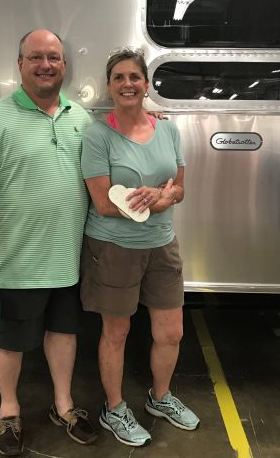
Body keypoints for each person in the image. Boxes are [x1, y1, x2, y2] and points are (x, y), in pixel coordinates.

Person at [0, 29, 98, 456]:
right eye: (36, 57)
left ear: (64, 65)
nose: (45, 65)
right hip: (16, 261)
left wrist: (151, 117)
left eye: (53, 57)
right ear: (20, 64)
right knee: (8, 340)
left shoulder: (80, 118)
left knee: (63, 334)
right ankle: (9, 411)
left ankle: (63, 405)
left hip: (67, 260)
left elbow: (112, 155)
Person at [80, 47, 199, 447]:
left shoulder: (168, 130)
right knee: (117, 332)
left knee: (172, 332)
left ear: (146, 84)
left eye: (134, 77)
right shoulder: (98, 136)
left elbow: (179, 187)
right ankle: (114, 409)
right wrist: (153, 202)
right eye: (119, 77)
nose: (127, 84)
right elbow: (102, 203)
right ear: (109, 87)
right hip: (114, 247)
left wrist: (166, 197)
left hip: (162, 244)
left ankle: (160, 398)